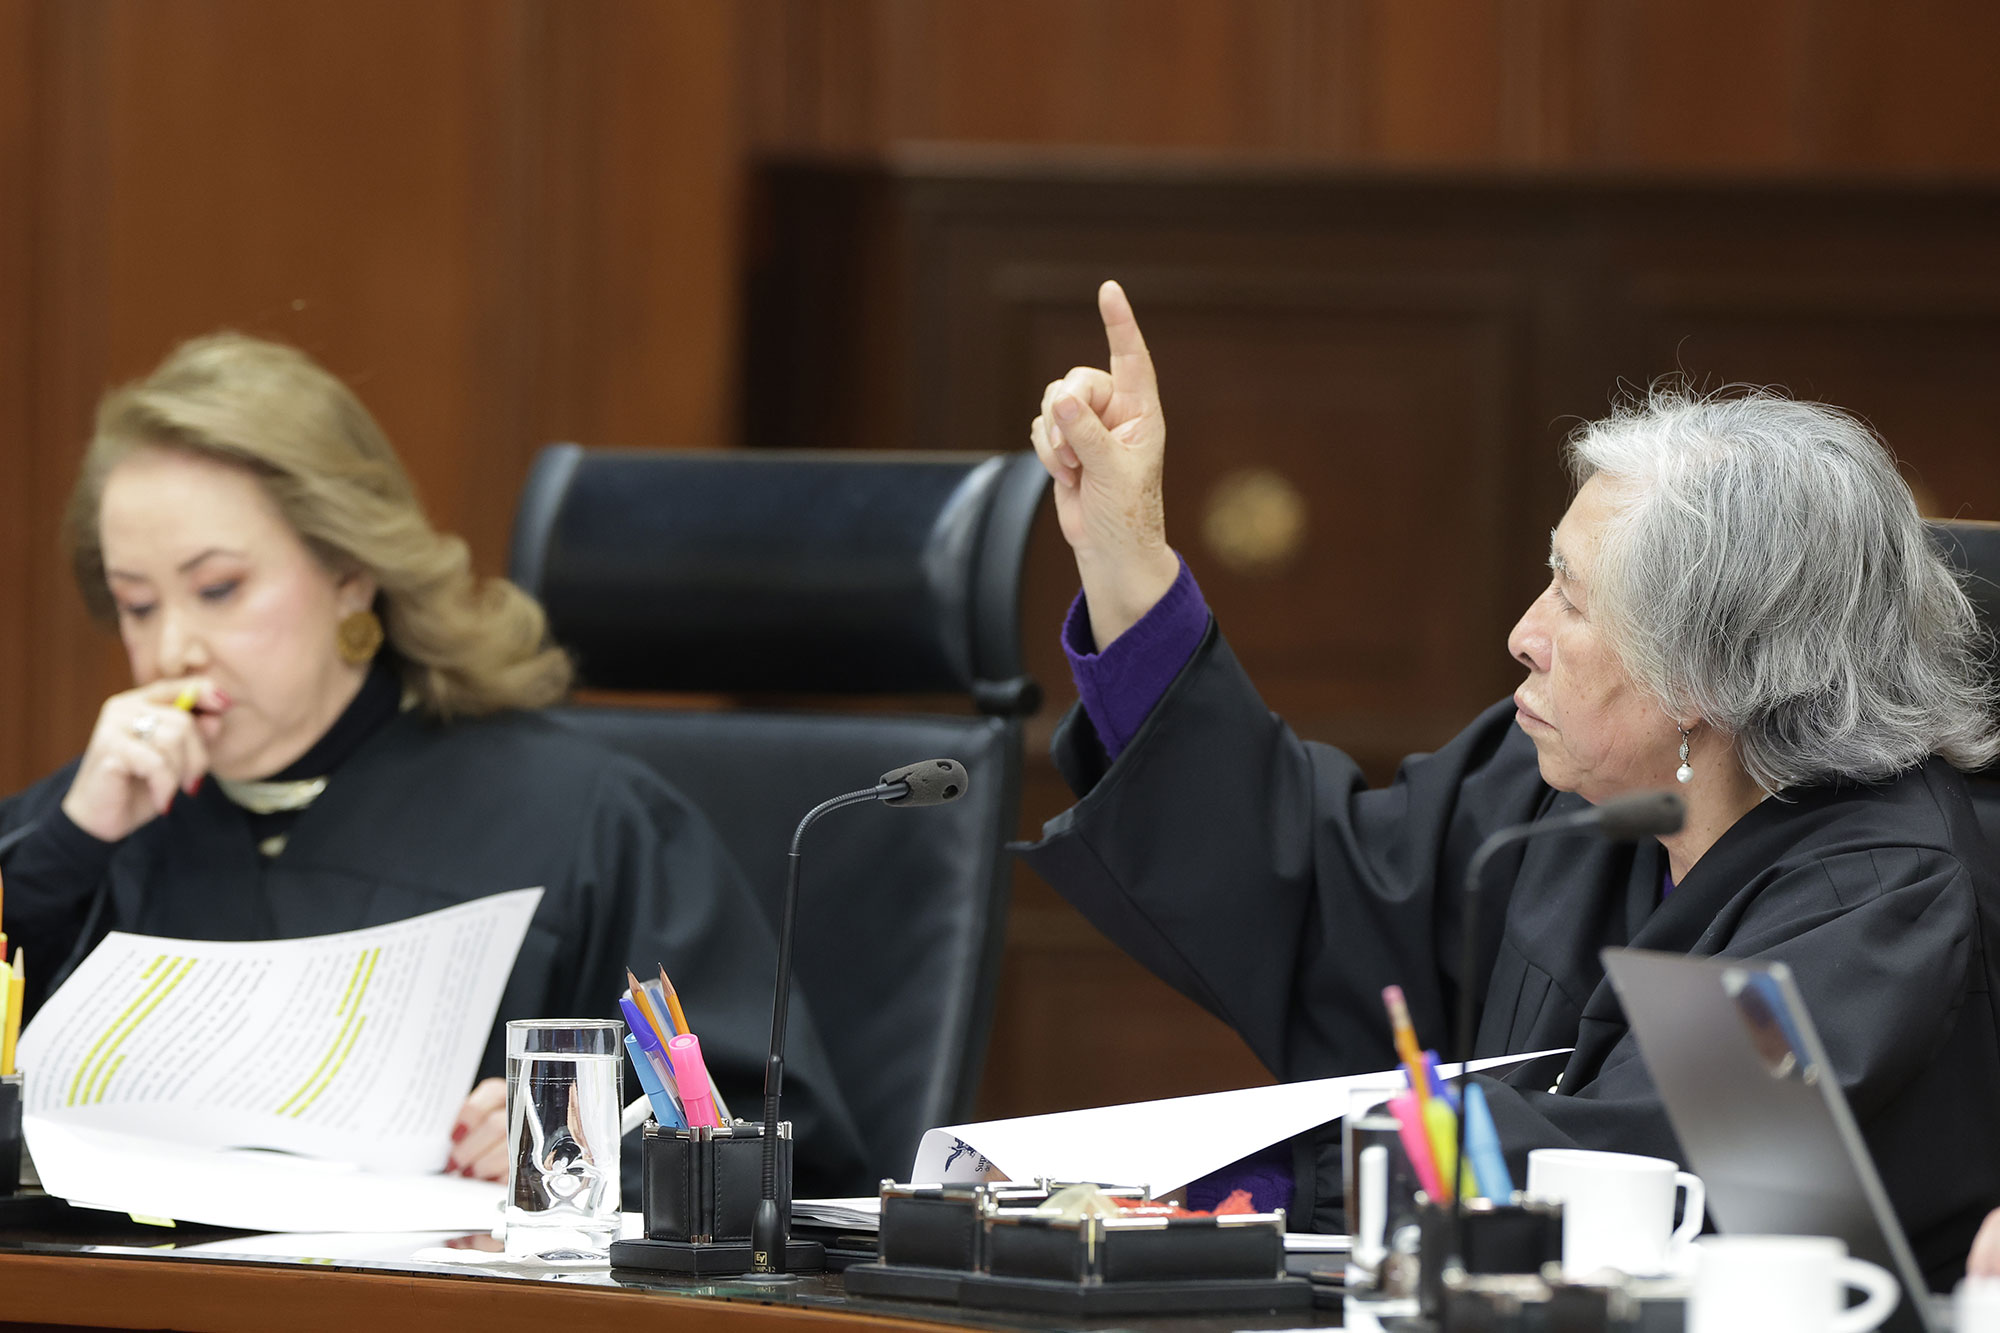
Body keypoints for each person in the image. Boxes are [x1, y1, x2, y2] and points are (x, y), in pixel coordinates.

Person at [1019, 280, 2000, 1285]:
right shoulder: (1567, 792)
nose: (1523, 633)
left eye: (1571, 599)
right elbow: (1308, 886)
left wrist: (1254, 1184)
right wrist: (1123, 551)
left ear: (1707, 672)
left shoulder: (1879, 896)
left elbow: (1629, 1176)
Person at [0, 332, 867, 1199]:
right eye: (136, 604)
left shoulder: (579, 821)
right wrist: (63, 853)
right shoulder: (84, 829)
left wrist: (589, 1146)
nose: (171, 650)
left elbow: (782, 1160)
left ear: (350, 570)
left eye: (219, 588)